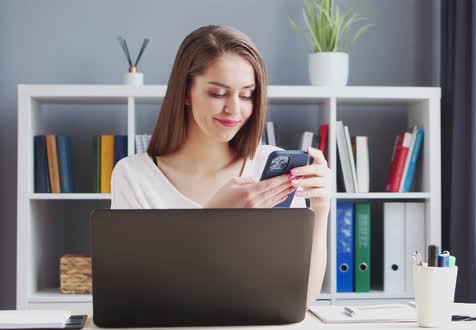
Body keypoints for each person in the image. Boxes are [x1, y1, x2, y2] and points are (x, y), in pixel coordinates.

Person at [110, 25, 331, 307]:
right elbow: (136, 298)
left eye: (247, 95)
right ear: (185, 92)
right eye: (217, 94)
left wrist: (321, 210)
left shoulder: (269, 168)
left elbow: (302, 298)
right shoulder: (135, 176)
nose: (234, 110)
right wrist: (213, 218)